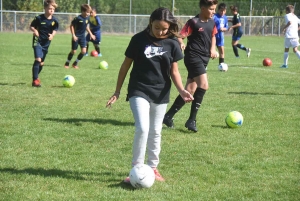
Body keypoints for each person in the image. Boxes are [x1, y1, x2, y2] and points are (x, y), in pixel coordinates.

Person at [106, 7, 194, 183]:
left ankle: (153, 168)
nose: (161, 32)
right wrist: (117, 91)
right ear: (150, 23)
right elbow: (125, 66)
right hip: (138, 89)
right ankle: (136, 168)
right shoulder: (138, 40)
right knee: (143, 128)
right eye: (157, 28)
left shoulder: (172, 43)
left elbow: (174, 71)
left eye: (165, 29)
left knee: (156, 131)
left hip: (161, 92)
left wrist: (181, 90)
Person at [163, 0, 219, 132]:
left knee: (190, 89)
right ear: (203, 8)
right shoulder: (193, 22)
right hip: (193, 57)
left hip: (204, 58)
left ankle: (168, 116)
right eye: (211, 9)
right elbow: (181, 35)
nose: (214, 12)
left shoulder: (212, 22)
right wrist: (181, 43)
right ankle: (191, 120)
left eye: (214, 9)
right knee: (204, 85)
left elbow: (213, 35)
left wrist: (212, 49)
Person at [30, 0, 58, 87]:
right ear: (45, 8)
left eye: (53, 9)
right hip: (37, 41)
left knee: (41, 63)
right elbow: (31, 26)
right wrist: (35, 31)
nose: (51, 10)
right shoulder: (39, 18)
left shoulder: (54, 20)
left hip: (46, 43)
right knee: (38, 59)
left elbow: (55, 29)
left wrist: (52, 35)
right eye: (50, 8)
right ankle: (35, 80)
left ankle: (36, 77)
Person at [64, 4, 95, 69]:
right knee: (73, 51)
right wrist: (73, 35)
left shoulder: (87, 18)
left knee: (84, 51)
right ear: (83, 11)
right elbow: (71, 26)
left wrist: (91, 34)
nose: (88, 14)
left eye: (89, 12)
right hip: (76, 37)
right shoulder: (78, 18)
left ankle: (75, 63)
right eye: (87, 12)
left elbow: (86, 26)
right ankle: (67, 63)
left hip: (82, 37)